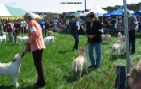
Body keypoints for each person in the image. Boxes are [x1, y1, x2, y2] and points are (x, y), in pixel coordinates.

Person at [24, 12, 46, 88]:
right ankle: (40, 81)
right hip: (39, 45)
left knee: (38, 65)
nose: (25, 21)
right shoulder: (35, 22)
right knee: (39, 65)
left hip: (37, 46)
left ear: (28, 18)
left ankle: (41, 83)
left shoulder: (31, 23)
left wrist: (28, 41)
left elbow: (35, 34)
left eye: (25, 19)